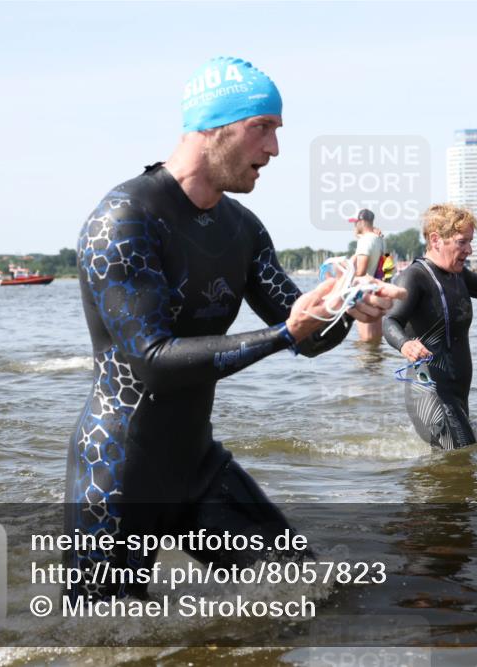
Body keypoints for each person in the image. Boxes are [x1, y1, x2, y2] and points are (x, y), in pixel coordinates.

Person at [65, 56, 404, 600]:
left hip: (197, 466)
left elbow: (308, 334)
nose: (273, 149)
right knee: (101, 643)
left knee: (312, 593)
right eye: (262, 129)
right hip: (118, 473)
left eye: (276, 131)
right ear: (213, 128)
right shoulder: (125, 219)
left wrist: (348, 303)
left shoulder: (241, 229)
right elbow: (151, 360)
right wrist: (283, 336)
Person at [383, 204, 477, 450]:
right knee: (464, 458)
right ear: (436, 240)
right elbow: (390, 320)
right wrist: (405, 344)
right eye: (462, 242)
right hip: (431, 392)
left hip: (457, 394)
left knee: (459, 469)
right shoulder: (415, 277)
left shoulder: (457, 274)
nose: (469, 250)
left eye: (470, 242)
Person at [349, 208, 386, 342]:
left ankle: (367, 363)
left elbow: (362, 270)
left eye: (355, 223)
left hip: (365, 292)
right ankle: (376, 362)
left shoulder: (365, 241)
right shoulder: (380, 239)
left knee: (366, 340)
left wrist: (349, 277)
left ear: (362, 222)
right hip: (378, 289)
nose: (354, 226)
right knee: (376, 338)